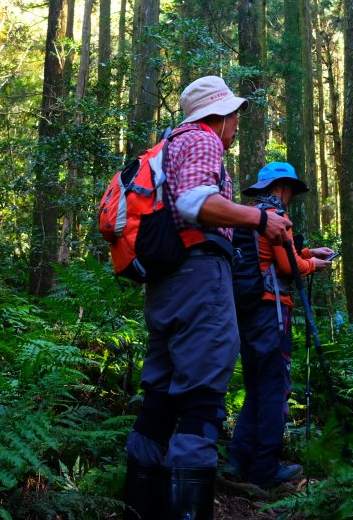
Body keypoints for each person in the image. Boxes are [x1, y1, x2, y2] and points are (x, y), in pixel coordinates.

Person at [123, 76, 291, 520]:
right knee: (202, 394)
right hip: (198, 276)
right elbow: (195, 203)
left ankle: (140, 506)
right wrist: (258, 219)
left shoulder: (169, 145)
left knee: (159, 391)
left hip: (168, 283)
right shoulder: (202, 140)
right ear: (218, 116)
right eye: (234, 114)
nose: (236, 123)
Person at [225, 162, 333, 488]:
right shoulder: (277, 219)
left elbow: (272, 256)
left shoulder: (248, 216)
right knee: (274, 390)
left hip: (247, 311)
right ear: (283, 187)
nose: (292, 199)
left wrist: (307, 251)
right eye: (291, 192)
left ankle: (237, 462)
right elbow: (288, 267)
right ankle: (265, 470)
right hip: (272, 313)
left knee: (257, 388)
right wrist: (312, 263)